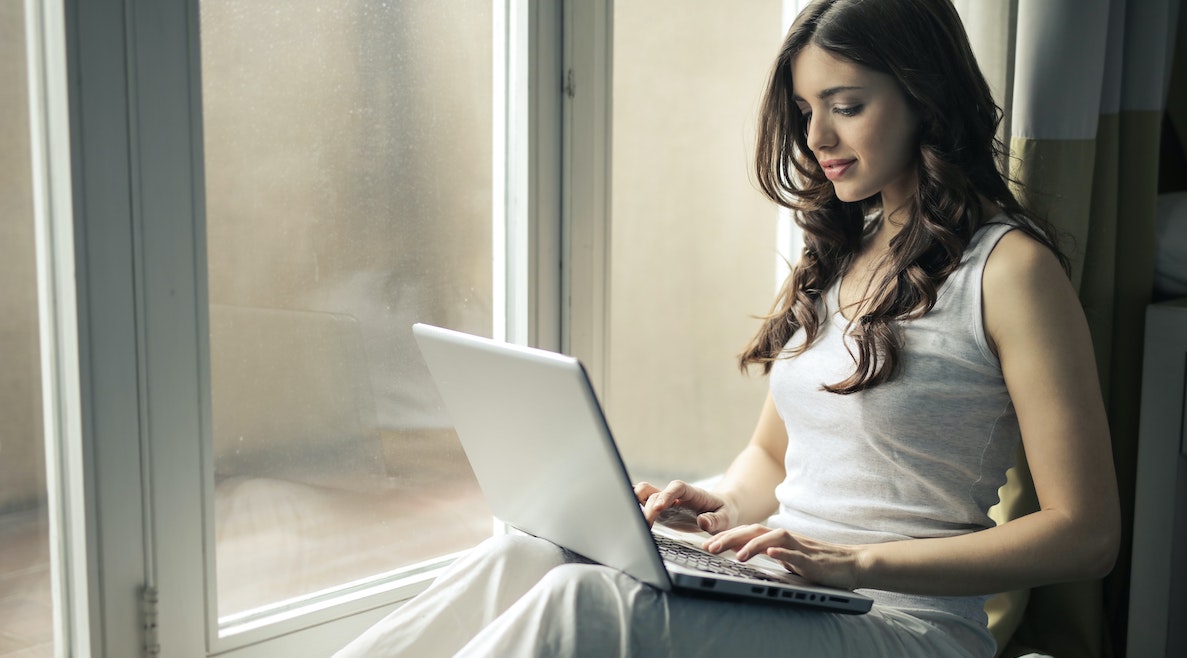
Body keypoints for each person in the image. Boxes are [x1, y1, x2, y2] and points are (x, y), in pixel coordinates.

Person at [334, 0, 1120, 655]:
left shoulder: (1013, 271)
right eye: (809, 111)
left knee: (583, 604)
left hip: (905, 624)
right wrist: (715, 508)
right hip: (799, 589)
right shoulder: (841, 252)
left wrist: (856, 562)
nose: (817, 139)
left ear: (926, 97)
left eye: (847, 107)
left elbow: (1086, 535)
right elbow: (771, 458)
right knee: (528, 551)